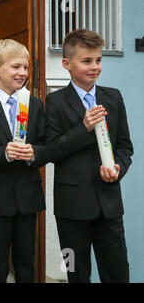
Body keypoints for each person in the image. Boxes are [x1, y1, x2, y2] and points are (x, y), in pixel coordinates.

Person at [45, 29, 133, 283]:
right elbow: (51, 151)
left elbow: (125, 147)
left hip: (110, 206)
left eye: (98, 60)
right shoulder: (54, 102)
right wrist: (83, 128)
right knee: (75, 273)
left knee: (117, 272)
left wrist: (117, 167)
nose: (95, 67)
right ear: (67, 64)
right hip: (71, 208)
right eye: (87, 61)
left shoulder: (113, 98)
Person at [0, 39, 47, 283]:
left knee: (26, 262)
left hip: (28, 196)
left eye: (25, 67)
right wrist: (4, 153)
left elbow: (46, 146)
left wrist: (34, 153)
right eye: (15, 67)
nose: (22, 73)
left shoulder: (33, 105)